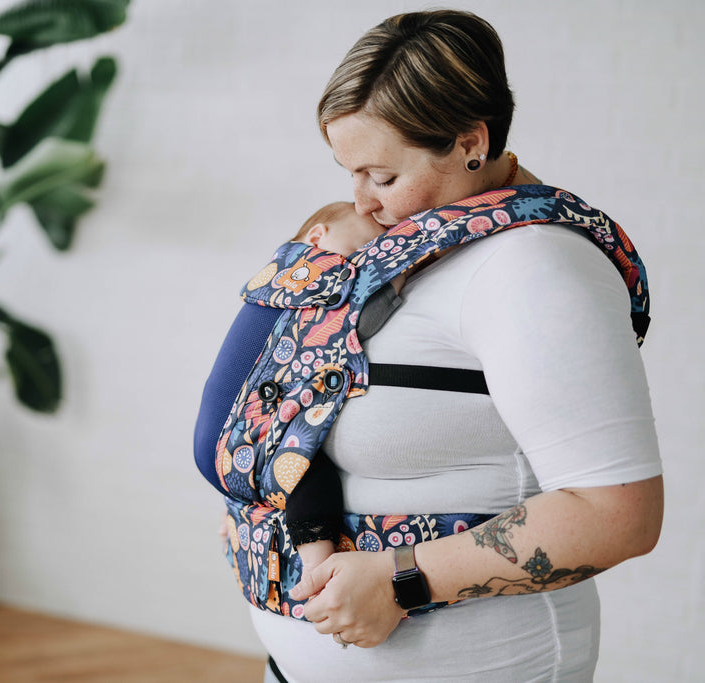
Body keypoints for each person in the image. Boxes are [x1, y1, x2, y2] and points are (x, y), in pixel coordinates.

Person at [227, 10, 663, 682]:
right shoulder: (403, 249)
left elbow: (619, 513)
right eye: (349, 172)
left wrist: (399, 579)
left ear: (470, 143)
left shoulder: (536, 267)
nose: (361, 201)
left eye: (383, 175)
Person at [195, 201, 407, 575]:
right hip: (233, 440)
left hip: (218, 440)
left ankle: (240, 515)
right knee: (308, 471)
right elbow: (360, 323)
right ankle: (319, 569)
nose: (370, 262)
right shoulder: (312, 279)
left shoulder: (272, 283)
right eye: (363, 249)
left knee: (273, 469)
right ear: (316, 239)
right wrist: (398, 279)